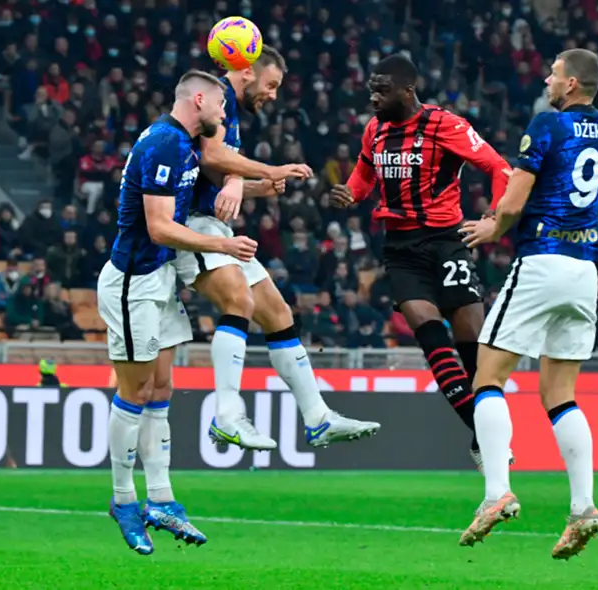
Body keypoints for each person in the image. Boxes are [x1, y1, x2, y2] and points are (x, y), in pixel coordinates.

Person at [457, 49, 598, 559]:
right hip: (583, 268)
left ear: (571, 84)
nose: (546, 79)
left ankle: (495, 493)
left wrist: (492, 227)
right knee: (560, 394)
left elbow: (514, 196)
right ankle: (583, 507)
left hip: (542, 259)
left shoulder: (547, 126)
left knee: (488, 377)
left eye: (553, 73)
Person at [174, 47, 380, 450]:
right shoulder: (217, 101)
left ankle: (318, 418)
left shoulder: (229, 110)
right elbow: (212, 156)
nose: (272, 96)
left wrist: (255, 186)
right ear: (247, 73)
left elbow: (214, 179)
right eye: (270, 86)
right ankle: (227, 415)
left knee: (278, 312)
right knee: (238, 299)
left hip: (209, 218)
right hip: (186, 223)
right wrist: (269, 170)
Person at [96, 70, 256, 556]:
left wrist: (268, 178)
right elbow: (160, 227)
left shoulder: (183, 145)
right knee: (135, 390)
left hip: (159, 280)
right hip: (133, 283)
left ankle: (161, 499)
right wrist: (221, 244)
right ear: (199, 100)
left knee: (162, 388)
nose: (226, 116)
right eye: (221, 107)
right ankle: (124, 500)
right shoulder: (165, 144)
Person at [330, 54, 513, 469]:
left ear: (407, 90)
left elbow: (499, 168)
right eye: (371, 89)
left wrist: (493, 218)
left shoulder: (445, 125)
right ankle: (485, 433)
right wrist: (350, 193)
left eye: (382, 90)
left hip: (446, 242)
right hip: (401, 248)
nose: (373, 97)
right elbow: (363, 175)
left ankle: (483, 433)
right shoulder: (374, 130)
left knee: (471, 345)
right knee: (430, 335)